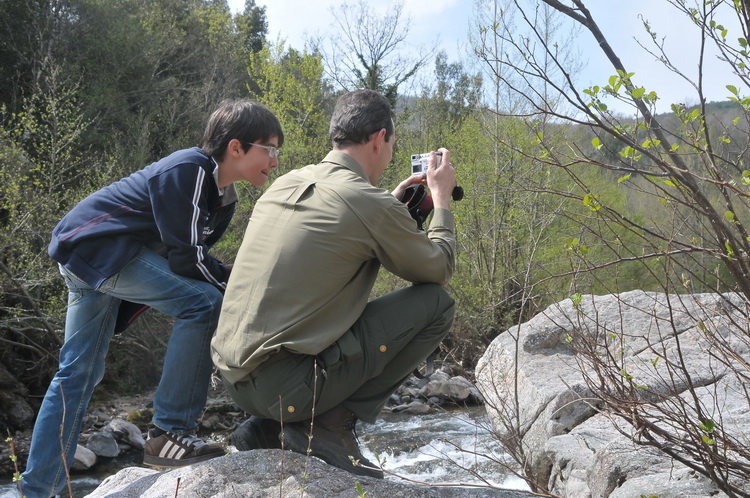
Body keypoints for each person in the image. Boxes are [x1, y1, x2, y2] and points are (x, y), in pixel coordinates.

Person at [20, 99, 284, 498]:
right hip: (98, 250)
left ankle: (37, 491)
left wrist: (242, 280)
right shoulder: (191, 169)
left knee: (78, 374)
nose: (275, 161)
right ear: (236, 147)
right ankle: (169, 434)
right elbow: (187, 259)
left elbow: (196, 255)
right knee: (203, 303)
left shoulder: (224, 197)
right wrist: (237, 291)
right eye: (270, 149)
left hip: (88, 255)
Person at [211, 89, 456, 479]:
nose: (390, 153)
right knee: (437, 304)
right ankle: (327, 426)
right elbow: (438, 267)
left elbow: (338, 229)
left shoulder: (286, 182)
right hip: (287, 388)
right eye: (391, 144)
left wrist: (391, 204)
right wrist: (440, 199)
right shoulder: (368, 205)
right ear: (379, 139)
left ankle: (271, 428)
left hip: (235, 382)